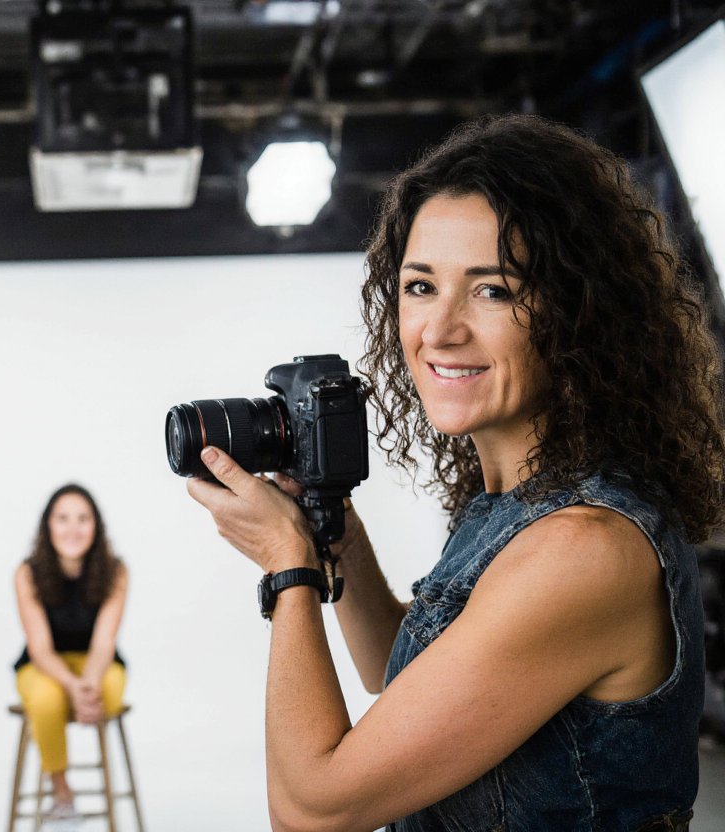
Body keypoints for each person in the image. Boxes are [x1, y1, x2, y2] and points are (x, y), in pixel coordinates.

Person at [187, 114, 725, 831]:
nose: (439, 330)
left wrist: (288, 566)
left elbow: (311, 809)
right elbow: (403, 675)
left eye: (492, 290)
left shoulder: (584, 548)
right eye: (420, 286)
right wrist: (337, 535)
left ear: (580, 312)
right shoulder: (517, 505)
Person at [14, 483, 129, 822]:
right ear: (48, 525)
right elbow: (40, 648)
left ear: (96, 525)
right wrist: (72, 686)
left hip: (97, 663)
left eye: (83, 518)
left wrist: (87, 684)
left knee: (108, 692)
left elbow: (104, 642)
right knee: (46, 699)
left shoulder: (116, 571)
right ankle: (61, 791)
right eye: (62, 518)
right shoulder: (27, 574)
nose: (73, 528)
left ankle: (81, 693)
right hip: (44, 665)